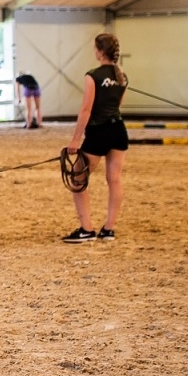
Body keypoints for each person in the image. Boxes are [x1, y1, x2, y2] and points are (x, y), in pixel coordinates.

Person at [62, 33, 127, 243]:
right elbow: (118, 107)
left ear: (99, 52)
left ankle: (86, 229)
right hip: (118, 130)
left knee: (78, 178)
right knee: (114, 179)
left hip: (99, 131)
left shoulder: (92, 75)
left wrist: (75, 140)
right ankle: (109, 229)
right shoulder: (122, 77)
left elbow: (86, 110)